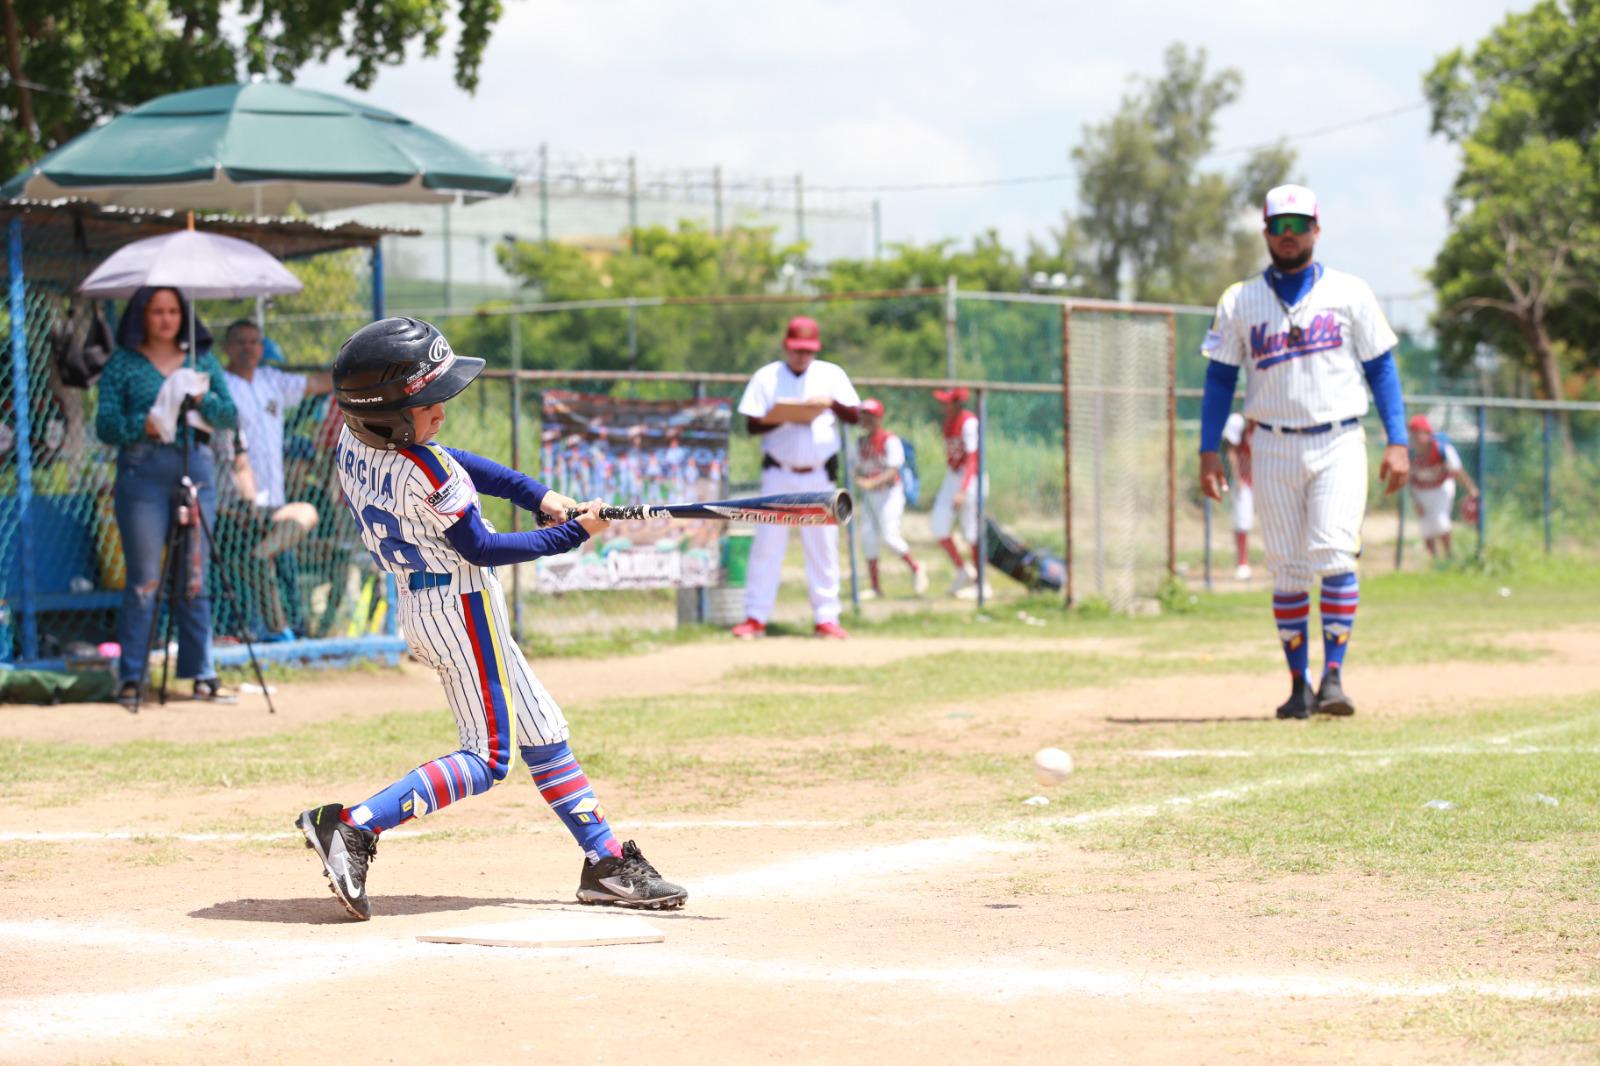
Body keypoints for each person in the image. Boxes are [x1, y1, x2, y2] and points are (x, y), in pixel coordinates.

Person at [296, 316, 685, 920]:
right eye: (429, 404)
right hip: (461, 607)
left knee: (543, 730)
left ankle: (605, 861)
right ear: (393, 416)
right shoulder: (426, 472)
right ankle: (351, 826)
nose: (441, 413)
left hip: (430, 603)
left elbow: (458, 462)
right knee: (488, 758)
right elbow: (482, 547)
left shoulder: (359, 441)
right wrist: (571, 534)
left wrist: (540, 496)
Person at [1198, 184, 1409, 720]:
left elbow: (1381, 367)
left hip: (1338, 438)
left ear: (1317, 228)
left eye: (1298, 225)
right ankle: (1300, 686)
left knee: (1336, 553)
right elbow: (1220, 379)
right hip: (1269, 443)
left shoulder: (1350, 292)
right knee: (1289, 569)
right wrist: (1207, 449)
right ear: (1266, 232)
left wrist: (1399, 440)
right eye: (1278, 226)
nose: (1288, 235)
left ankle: (1334, 678)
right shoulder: (1239, 300)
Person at [94, 286, 239, 708]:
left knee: (194, 574)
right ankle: (132, 676)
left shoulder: (201, 359)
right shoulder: (123, 362)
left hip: (196, 466)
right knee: (144, 580)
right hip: (142, 472)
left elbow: (229, 415)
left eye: (173, 310)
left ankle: (201, 673)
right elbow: (105, 424)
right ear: (141, 315)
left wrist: (201, 399)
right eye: (156, 311)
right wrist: (145, 424)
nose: (165, 319)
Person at [731, 315, 860, 639]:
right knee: (767, 545)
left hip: (819, 475)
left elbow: (854, 415)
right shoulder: (767, 377)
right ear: (786, 347)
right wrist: (784, 414)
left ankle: (826, 618)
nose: (802, 356)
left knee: (823, 547)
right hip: (779, 473)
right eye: (796, 350)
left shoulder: (830, 374)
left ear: (815, 349)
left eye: (807, 350)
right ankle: (756, 617)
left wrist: (829, 403)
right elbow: (750, 426)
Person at [219, 320, 333, 638]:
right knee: (244, 575)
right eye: (240, 342)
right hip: (235, 501)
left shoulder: (272, 381)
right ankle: (263, 627)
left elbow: (316, 383)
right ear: (227, 348)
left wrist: (359, 369)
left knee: (301, 522)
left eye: (254, 342)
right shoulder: (222, 385)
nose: (248, 348)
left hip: (274, 501)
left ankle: (284, 623)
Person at [852, 397, 928, 598]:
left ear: (879, 418)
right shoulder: (860, 442)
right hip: (869, 496)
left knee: (889, 536)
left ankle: (917, 568)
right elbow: (854, 468)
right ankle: (876, 587)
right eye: (864, 415)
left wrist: (871, 482)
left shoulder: (889, 440)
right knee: (868, 538)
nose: (866, 419)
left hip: (889, 494)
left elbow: (894, 470)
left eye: (871, 415)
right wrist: (859, 479)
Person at [930, 387, 986, 598]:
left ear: (957, 403)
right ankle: (964, 572)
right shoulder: (948, 421)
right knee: (938, 526)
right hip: (952, 476)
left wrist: (963, 490)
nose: (942, 406)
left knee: (971, 532)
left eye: (947, 402)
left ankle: (982, 584)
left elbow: (973, 459)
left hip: (971, 478)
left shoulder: (968, 422)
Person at [1407, 413, 1479, 559]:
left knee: (1440, 522)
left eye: (1418, 434)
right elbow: (1409, 480)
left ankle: (1449, 556)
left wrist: (1471, 489)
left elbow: (1458, 471)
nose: (1415, 438)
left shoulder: (1441, 449)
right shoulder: (1410, 453)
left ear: (1428, 434)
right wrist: (1416, 501)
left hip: (1441, 487)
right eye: (1413, 434)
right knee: (1426, 528)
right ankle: (1435, 561)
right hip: (1421, 491)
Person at [1222, 412, 1255, 581]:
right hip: (1245, 480)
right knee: (1243, 522)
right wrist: (1237, 477)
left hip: (1268, 478)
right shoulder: (1239, 422)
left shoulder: (1271, 419)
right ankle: (1242, 563)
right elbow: (1231, 450)